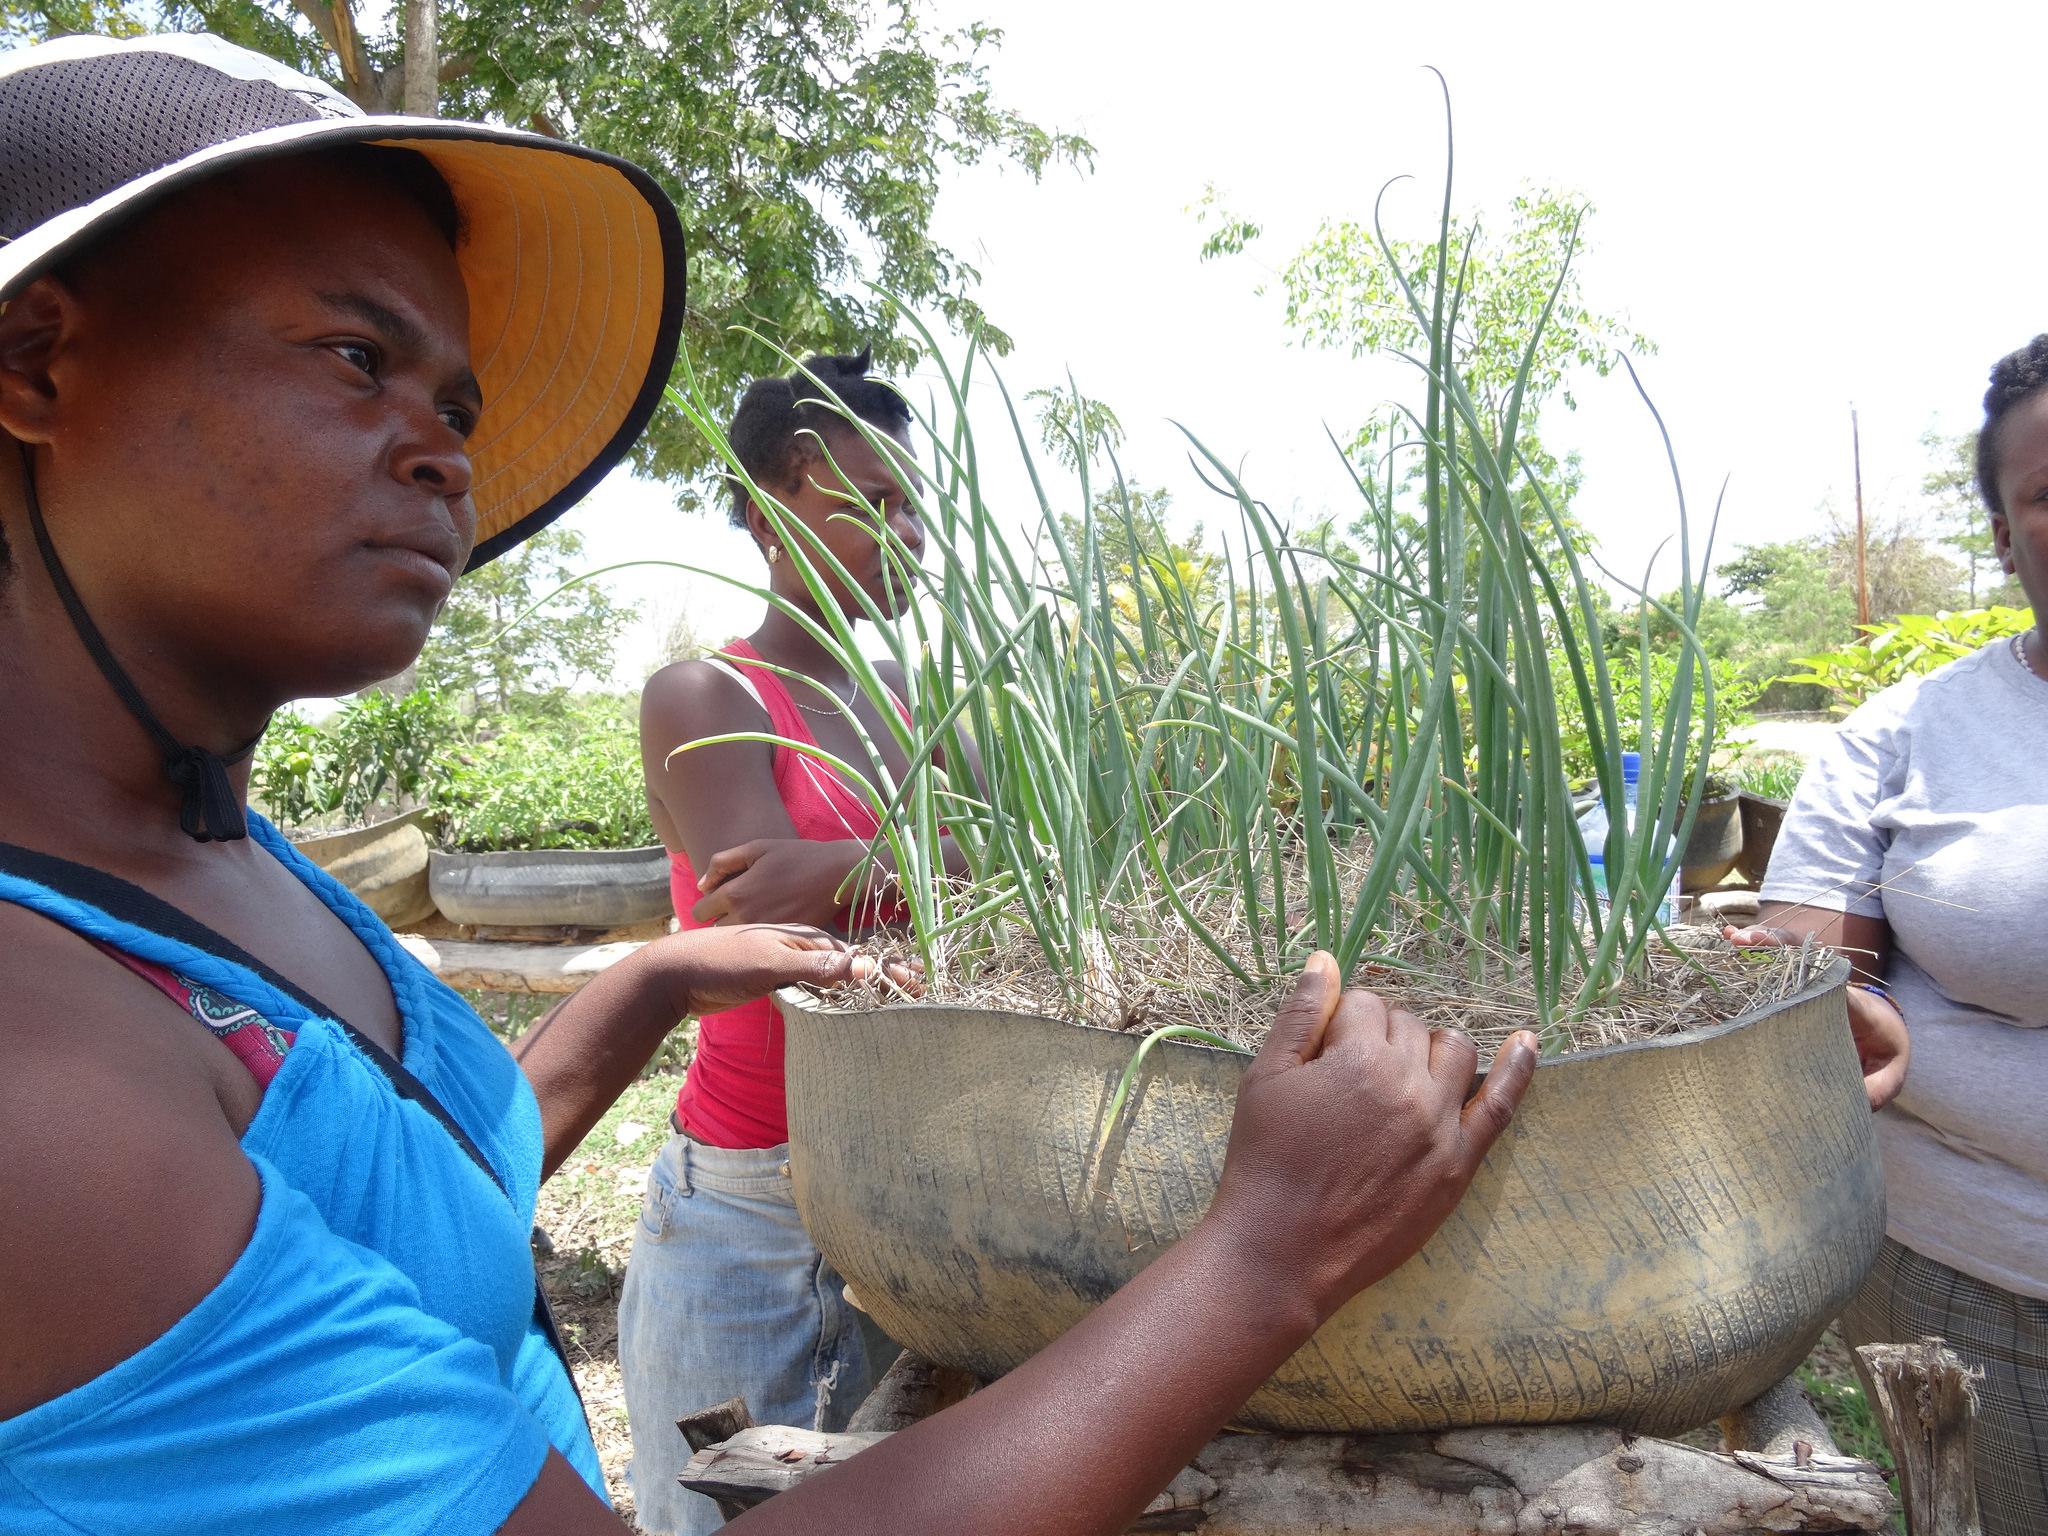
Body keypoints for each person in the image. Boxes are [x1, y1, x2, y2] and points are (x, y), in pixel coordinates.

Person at [0, 32, 1538, 1536]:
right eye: (355, 358)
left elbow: (419, 1186)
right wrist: (1270, 1253)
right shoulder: (40, 1076)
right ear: (34, 365)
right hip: (747, 1191)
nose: (443, 453)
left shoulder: (235, 868)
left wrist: (658, 974)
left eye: (460, 408)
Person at [624, 352, 968, 1532]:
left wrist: (847, 876)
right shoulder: (704, 696)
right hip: (745, 1207)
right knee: (713, 1514)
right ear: (773, 512)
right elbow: (753, 919)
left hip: (913, 1190)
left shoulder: (929, 711)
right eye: (867, 504)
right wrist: (944, 866)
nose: (906, 534)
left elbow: (1030, 889)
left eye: (914, 507)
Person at [1730, 336, 2048, 1535]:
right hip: (1980, 1287)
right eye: (2046, 492)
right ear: (2006, 538)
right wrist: (1806, 1008)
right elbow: (1809, 975)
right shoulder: (1906, 731)